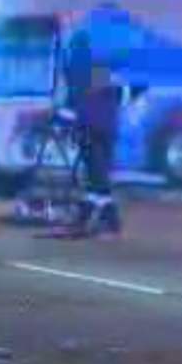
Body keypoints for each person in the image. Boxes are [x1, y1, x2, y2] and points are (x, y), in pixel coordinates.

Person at [66, 33, 123, 237]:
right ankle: (88, 214)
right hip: (108, 126)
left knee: (96, 174)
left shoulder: (77, 67)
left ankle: (108, 219)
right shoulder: (101, 67)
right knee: (97, 174)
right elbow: (112, 97)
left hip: (91, 126)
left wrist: (70, 118)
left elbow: (76, 98)